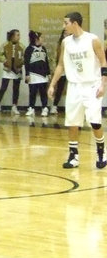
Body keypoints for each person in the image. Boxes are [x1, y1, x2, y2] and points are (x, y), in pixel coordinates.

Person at [48, 12, 107, 169]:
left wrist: (103, 84)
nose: (63, 26)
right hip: (74, 85)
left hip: (92, 85)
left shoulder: (92, 40)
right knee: (72, 122)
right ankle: (73, 155)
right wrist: (52, 84)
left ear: (75, 23)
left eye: (65, 23)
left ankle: (101, 152)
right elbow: (61, 65)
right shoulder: (66, 42)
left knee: (94, 121)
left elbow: (103, 61)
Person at [0, 29, 24, 114]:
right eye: (17, 35)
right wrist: (5, 61)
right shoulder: (5, 45)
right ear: (12, 36)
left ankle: (14, 106)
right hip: (8, 69)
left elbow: (25, 56)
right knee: (3, 88)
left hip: (17, 69)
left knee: (16, 88)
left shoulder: (22, 46)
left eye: (19, 35)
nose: (19, 37)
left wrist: (21, 63)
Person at [23, 30, 51, 117]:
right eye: (41, 37)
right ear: (36, 38)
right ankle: (31, 108)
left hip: (43, 75)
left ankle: (44, 108)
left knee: (43, 92)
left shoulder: (43, 49)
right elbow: (26, 63)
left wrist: (48, 73)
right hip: (33, 75)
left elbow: (46, 62)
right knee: (33, 92)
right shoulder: (29, 49)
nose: (43, 39)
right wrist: (27, 74)